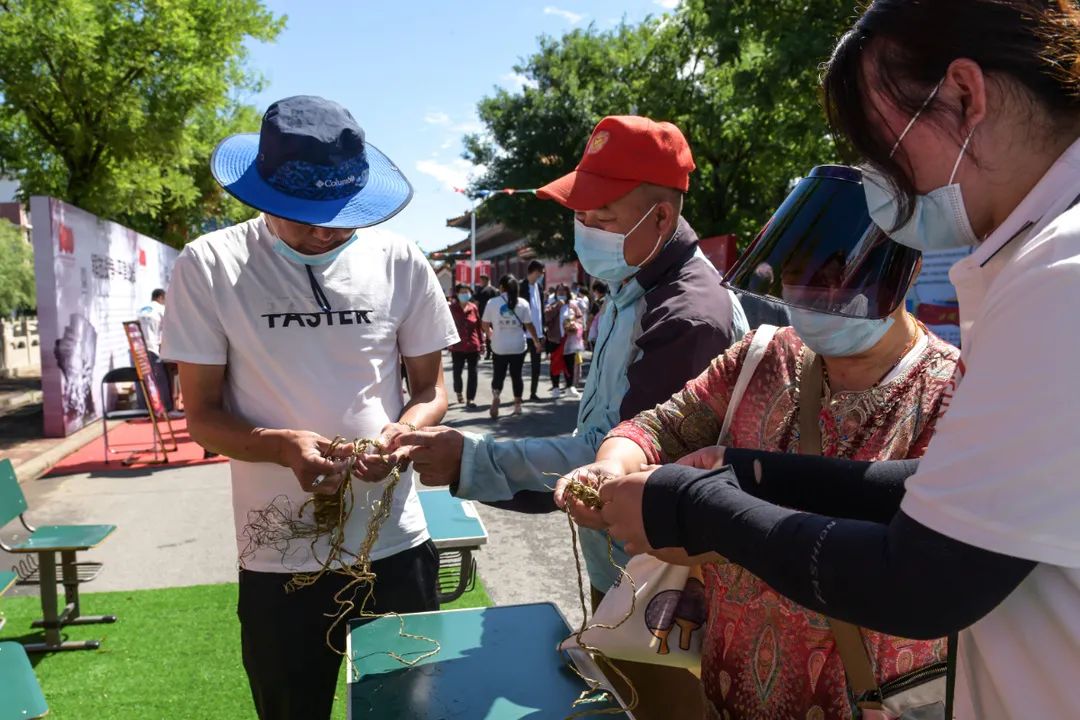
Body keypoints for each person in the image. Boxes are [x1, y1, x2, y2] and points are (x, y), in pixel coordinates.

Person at [592, 3, 1080, 718]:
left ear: (963, 94)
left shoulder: (1061, 274)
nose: (884, 186)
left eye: (882, 146)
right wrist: (754, 472)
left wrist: (698, 508)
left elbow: (921, 580)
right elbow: (940, 492)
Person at [392, 115, 748, 718]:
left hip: (667, 590)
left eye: (600, 218)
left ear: (660, 218)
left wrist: (472, 458)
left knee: (662, 708)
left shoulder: (688, 315)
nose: (584, 230)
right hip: (624, 565)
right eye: (580, 215)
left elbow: (616, 462)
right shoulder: (632, 287)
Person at [159, 95, 458, 720]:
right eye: (306, 216)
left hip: (394, 544)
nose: (326, 231)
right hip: (278, 557)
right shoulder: (210, 265)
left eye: (342, 214)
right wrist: (279, 446)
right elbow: (203, 416)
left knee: (411, 711)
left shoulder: (399, 259)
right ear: (264, 193)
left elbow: (432, 390)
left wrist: (400, 436)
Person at [562, 279, 959, 717]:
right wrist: (612, 466)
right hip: (727, 692)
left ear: (905, 268)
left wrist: (699, 524)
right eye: (800, 268)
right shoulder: (763, 356)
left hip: (869, 700)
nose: (821, 288)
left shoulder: (953, 393)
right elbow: (660, 427)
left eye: (842, 270)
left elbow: (903, 560)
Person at [482, 274, 541, 418]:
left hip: (499, 345)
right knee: (517, 375)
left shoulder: (492, 302)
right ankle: (517, 405)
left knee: (498, 374)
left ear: (501, 287)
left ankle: (496, 396)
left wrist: (490, 334)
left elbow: (484, 324)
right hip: (518, 346)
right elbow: (529, 325)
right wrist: (536, 341)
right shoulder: (523, 303)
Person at [137, 287, 178, 415]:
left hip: (139, 348)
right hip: (154, 348)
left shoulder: (141, 310)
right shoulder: (161, 309)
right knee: (161, 378)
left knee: (143, 378)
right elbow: (170, 329)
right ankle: (168, 408)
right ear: (160, 297)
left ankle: (144, 409)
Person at [449, 283, 483, 410]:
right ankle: (458, 391)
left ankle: (470, 398)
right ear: (457, 294)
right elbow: (447, 326)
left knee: (473, 373)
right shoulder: (452, 308)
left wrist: (482, 342)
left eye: (467, 292)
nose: (465, 294)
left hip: (473, 345)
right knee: (457, 372)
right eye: (462, 292)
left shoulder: (473, 308)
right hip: (457, 346)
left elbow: (478, 326)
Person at [542, 283, 578, 398]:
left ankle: (570, 387)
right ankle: (555, 387)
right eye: (559, 291)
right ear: (556, 293)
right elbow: (547, 317)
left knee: (570, 363)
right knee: (555, 363)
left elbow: (580, 317)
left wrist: (575, 324)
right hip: (555, 340)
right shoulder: (552, 305)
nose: (561, 293)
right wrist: (558, 306)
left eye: (564, 291)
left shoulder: (572, 305)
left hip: (570, 340)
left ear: (567, 293)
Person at [522, 260, 546, 401]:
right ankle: (518, 394)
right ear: (534, 271)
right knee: (518, 365)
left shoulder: (539, 287)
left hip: (538, 334)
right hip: (523, 333)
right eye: (541, 272)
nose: (541, 275)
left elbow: (540, 310)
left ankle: (533, 392)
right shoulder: (521, 287)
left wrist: (543, 328)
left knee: (536, 366)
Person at [473, 273, 499, 359]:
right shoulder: (495, 290)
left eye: (481, 280)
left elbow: (476, 303)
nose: (480, 282)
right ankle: (493, 351)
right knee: (492, 333)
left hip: (483, 315)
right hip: (494, 315)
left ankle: (484, 352)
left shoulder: (481, 290)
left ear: (485, 280)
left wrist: (475, 314)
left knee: (482, 333)